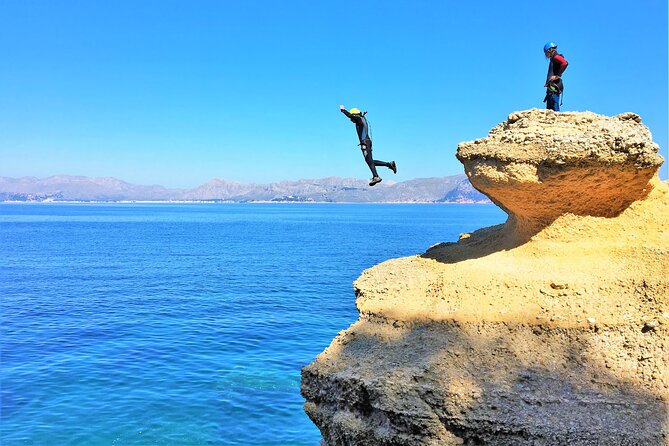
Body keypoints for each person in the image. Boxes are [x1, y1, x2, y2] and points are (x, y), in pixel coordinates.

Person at [339, 105, 396, 186]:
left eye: (352, 119)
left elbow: (350, 116)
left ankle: (376, 176)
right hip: (367, 142)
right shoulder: (362, 119)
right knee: (370, 161)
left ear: (355, 115)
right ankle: (389, 164)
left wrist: (343, 110)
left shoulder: (359, 119)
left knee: (369, 161)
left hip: (365, 143)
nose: (351, 120)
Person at [543, 42, 569, 111]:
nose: (546, 55)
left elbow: (565, 63)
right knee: (549, 109)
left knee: (554, 107)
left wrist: (558, 75)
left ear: (549, 50)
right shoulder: (553, 59)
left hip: (554, 86)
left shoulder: (556, 57)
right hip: (551, 86)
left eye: (546, 52)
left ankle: (557, 121)